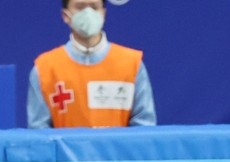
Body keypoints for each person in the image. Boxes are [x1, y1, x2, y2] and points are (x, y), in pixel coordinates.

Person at [27, 0, 156, 129]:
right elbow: (39, 135)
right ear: (66, 16)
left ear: (103, 13)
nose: (88, 13)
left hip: (118, 149)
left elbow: (144, 129)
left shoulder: (132, 64)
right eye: (80, 7)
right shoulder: (45, 68)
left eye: (94, 7)